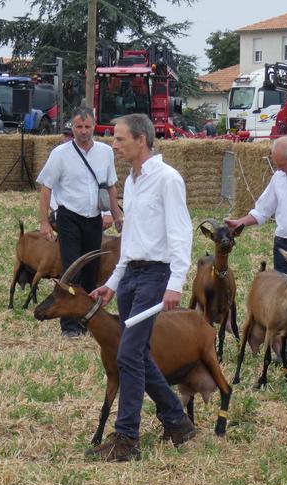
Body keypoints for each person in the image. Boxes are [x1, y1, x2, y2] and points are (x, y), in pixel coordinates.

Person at [88, 113, 195, 462]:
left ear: (141, 140)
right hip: (132, 274)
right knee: (139, 356)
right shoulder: (131, 182)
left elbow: (181, 233)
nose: (113, 145)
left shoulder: (167, 179)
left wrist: (175, 284)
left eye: (119, 139)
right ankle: (178, 421)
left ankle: (127, 439)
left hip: (155, 275)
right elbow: (130, 238)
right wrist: (113, 283)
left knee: (127, 355)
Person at [225, 136, 287, 364]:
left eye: (280, 164)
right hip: (284, 245)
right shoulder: (279, 177)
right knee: (285, 296)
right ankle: (283, 345)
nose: (278, 169)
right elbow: (262, 210)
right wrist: (240, 222)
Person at [37, 107, 122, 337]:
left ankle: (87, 320)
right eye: (78, 127)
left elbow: (111, 186)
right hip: (69, 217)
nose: (83, 131)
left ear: (94, 126)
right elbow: (46, 188)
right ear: (71, 128)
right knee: (71, 270)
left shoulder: (105, 152)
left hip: (93, 218)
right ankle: (69, 325)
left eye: (87, 127)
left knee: (91, 271)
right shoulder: (60, 153)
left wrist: (116, 216)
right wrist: (45, 222)